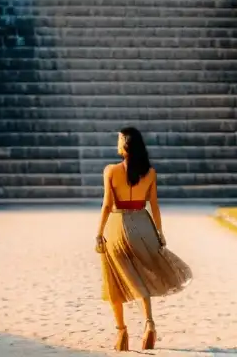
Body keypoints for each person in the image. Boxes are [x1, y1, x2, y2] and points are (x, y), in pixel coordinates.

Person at [96, 127, 193, 351]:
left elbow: (107, 205)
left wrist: (99, 232)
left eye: (119, 139)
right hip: (143, 224)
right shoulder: (150, 173)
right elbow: (154, 205)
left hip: (117, 225)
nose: (117, 143)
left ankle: (121, 333)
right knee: (140, 277)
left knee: (114, 279)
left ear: (126, 145)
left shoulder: (110, 171)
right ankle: (149, 323)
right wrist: (159, 232)